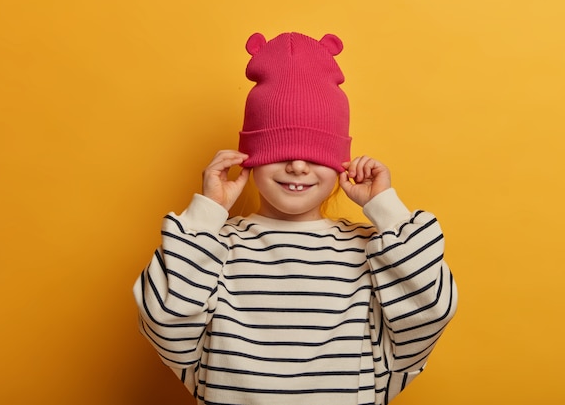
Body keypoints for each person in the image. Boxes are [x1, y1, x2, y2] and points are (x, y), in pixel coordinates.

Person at [134, 32, 458, 405]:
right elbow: (164, 319)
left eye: (316, 152)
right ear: (250, 156)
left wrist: (386, 209)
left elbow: (430, 313)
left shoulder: (374, 250)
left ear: (340, 162)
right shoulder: (214, 246)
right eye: (280, 148)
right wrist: (207, 214)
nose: (298, 165)